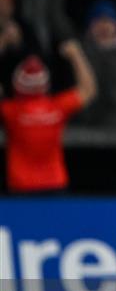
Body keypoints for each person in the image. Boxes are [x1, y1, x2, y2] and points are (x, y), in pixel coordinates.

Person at [0, 39, 96, 194]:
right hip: (55, 184)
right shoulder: (57, 107)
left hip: (21, 187)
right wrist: (76, 55)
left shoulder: (10, 110)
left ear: (17, 85)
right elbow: (88, 90)